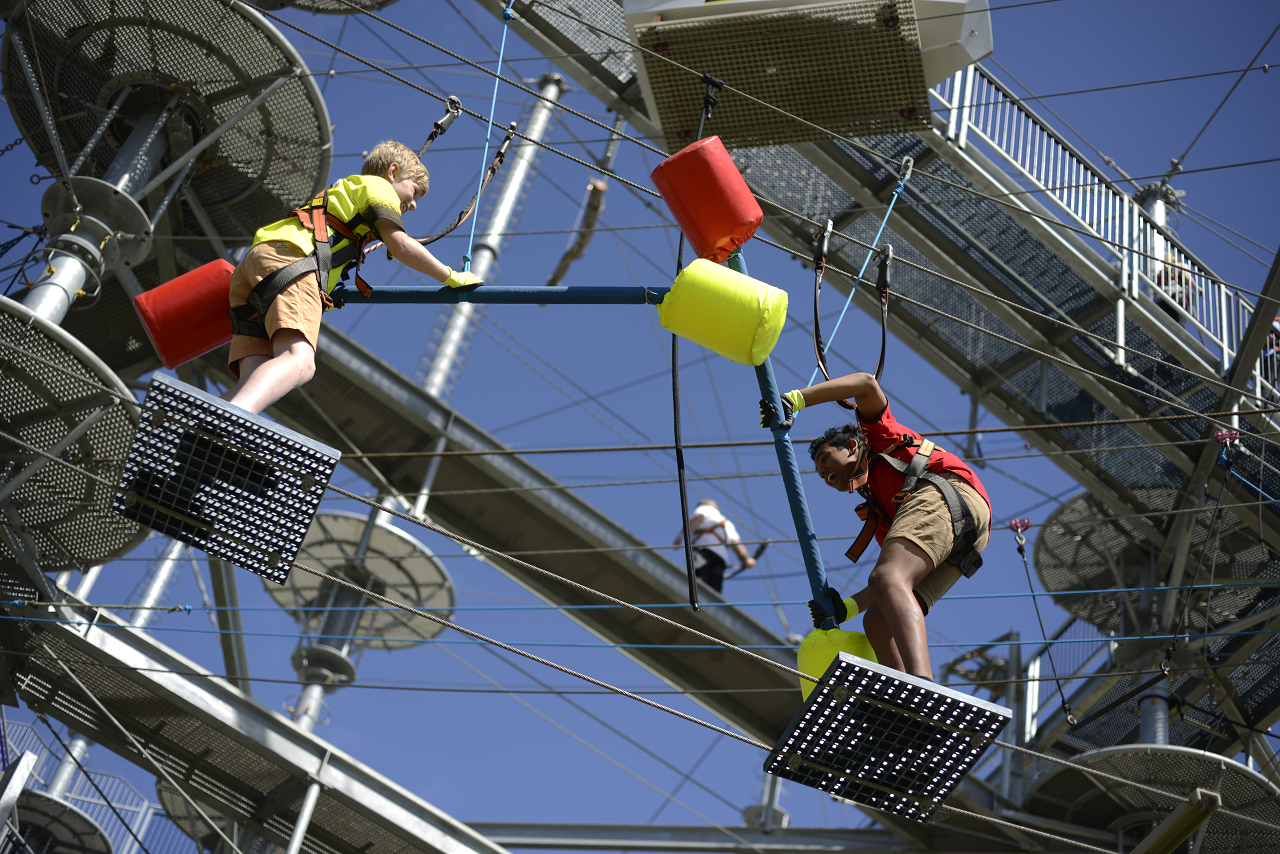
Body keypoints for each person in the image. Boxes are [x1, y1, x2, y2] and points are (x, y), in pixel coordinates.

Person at [221, 141, 482, 414]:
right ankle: (229, 420)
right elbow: (402, 246)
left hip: (259, 262)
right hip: (292, 261)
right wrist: (451, 276)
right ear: (392, 172)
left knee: (254, 376)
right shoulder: (378, 188)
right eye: (414, 192)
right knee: (299, 362)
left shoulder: (350, 191)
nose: (414, 205)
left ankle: (210, 428)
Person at [760, 372, 991, 680]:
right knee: (877, 620)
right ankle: (903, 698)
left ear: (854, 446)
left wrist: (795, 400)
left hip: (948, 493)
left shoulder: (877, 436)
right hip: (968, 536)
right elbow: (891, 583)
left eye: (827, 460)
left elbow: (867, 384)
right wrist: (846, 609)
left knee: (888, 577)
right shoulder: (882, 511)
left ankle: (921, 683)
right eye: (821, 473)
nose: (824, 472)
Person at [673, 499, 756, 592]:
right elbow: (737, 547)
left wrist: (680, 536)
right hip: (720, 559)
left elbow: (697, 519)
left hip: (703, 551)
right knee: (713, 591)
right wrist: (746, 561)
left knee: (696, 583)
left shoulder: (705, 509)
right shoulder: (727, 523)